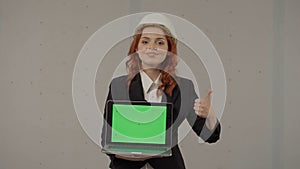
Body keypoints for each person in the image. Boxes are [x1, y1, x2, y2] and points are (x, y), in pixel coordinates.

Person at [101, 13, 221, 169]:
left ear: (169, 49)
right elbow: (106, 138)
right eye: (145, 41)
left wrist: (210, 115)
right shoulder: (118, 86)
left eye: (160, 42)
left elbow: (208, 136)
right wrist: (132, 155)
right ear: (136, 47)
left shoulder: (184, 88)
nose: (152, 47)